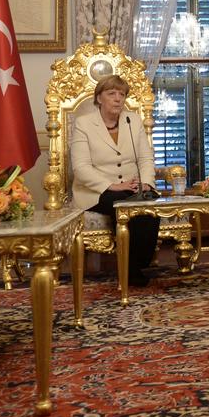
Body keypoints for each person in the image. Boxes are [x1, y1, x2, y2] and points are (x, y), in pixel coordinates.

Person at [70, 74, 161, 287]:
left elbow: (145, 158)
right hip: (96, 191)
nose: (118, 98)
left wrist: (147, 183)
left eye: (122, 94)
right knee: (124, 206)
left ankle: (137, 264)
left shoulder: (133, 120)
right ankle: (131, 272)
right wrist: (112, 185)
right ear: (99, 98)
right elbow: (81, 168)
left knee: (149, 208)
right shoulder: (84, 123)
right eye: (111, 93)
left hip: (132, 186)